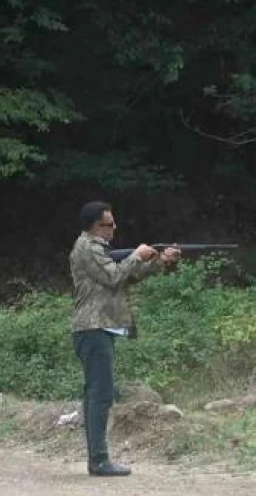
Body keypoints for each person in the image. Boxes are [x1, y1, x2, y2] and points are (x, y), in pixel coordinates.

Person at [69, 201, 180, 477]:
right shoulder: (88, 247)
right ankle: (99, 461)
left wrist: (158, 262)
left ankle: (98, 459)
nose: (114, 228)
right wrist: (138, 255)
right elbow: (114, 276)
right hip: (93, 328)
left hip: (99, 328)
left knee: (98, 394)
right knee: (101, 394)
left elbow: (128, 277)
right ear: (95, 226)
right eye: (109, 224)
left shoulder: (98, 249)